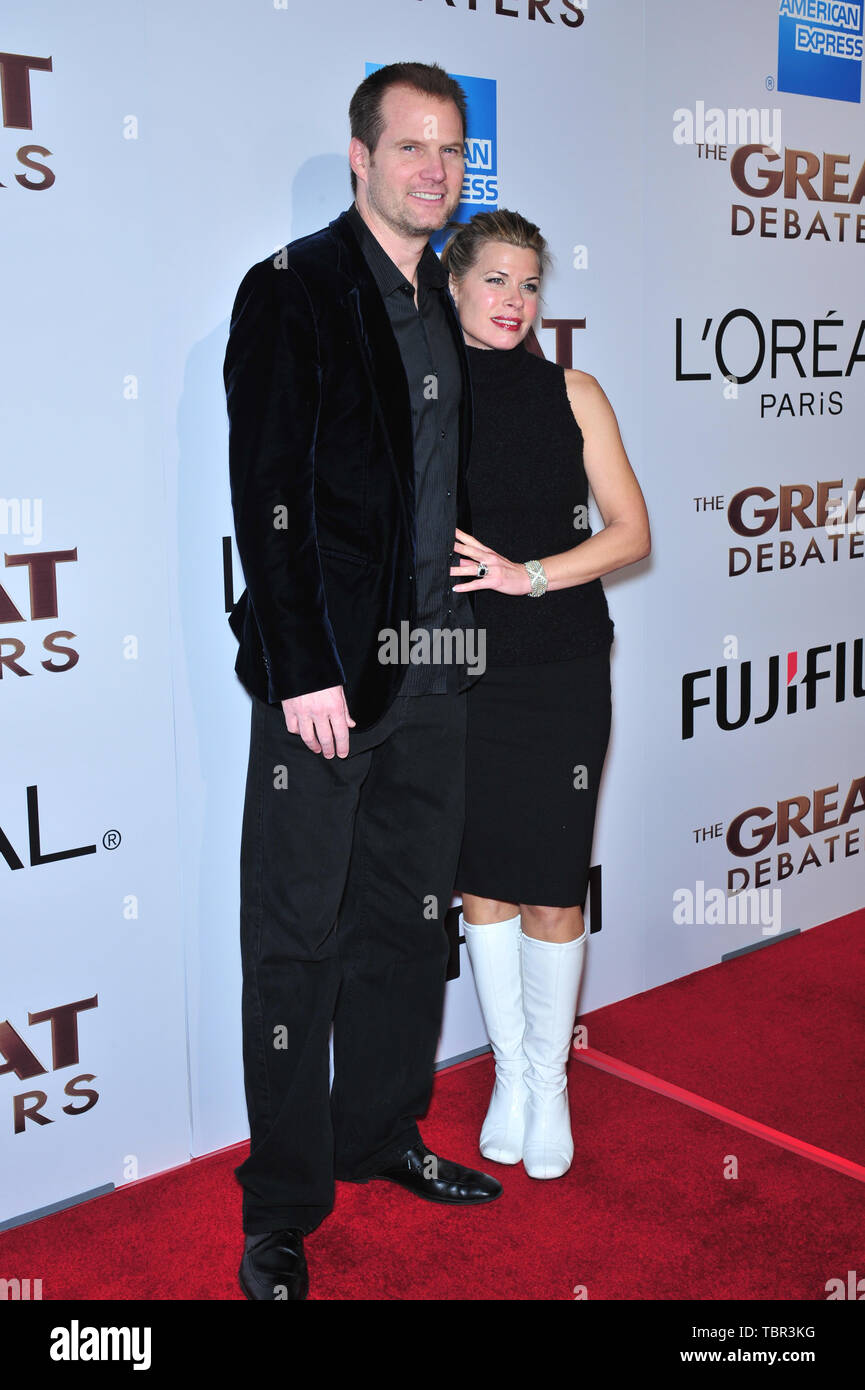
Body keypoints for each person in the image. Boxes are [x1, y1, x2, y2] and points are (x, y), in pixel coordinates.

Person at [223, 63, 502, 1303]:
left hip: (436, 670)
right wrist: (302, 671)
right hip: (329, 684)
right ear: (358, 155)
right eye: (409, 148)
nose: (432, 170)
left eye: (449, 150)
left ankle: (383, 1132)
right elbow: (266, 499)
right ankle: (280, 1209)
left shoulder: (444, 298)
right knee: (295, 947)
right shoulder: (292, 290)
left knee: (405, 928)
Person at [443, 210, 650, 1181]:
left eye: (528, 284)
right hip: (458, 676)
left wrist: (527, 573)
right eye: (495, 281)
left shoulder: (576, 392)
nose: (513, 302)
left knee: (553, 889)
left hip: (561, 669)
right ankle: (511, 1075)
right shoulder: (425, 396)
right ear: (452, 284)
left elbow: (631, 533)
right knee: (479, 880)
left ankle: (552, 1080)